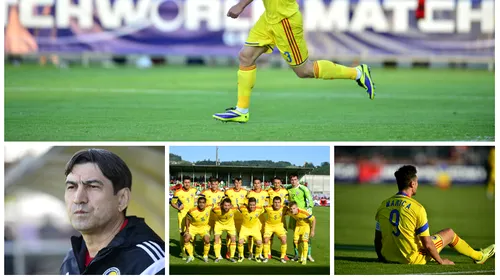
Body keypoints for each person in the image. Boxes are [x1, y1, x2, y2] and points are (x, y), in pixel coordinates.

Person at [213, 0, 375, 123]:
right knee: (246, 56)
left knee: (304, 70)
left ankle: (358, 73)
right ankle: (241, 110)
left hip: (285, 21)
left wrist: (241, 5)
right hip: (270, 17)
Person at [61, 149, 165, 275]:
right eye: (71, 187)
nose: (78, 199)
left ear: (122, 199)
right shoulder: (71, 260)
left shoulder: (152, 264)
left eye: (93, 186)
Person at [374, 165, 495, 265]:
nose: (417, 185)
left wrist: (382, 257)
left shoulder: (383, 205)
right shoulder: (417, 208)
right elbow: (427, 244)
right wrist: (441, 261)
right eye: (416, 182)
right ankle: (479, 256)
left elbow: (377, 239)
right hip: (412, 259)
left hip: (388, 257)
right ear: (412, 184)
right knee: (449, 233)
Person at [286, 173, 314, 262]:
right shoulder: (288, 189)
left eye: (295, 179)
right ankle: (296, 255)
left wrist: (308, 211)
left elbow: (310, 200)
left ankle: (308, 254)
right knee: (295, 236)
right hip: (294, 216)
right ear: (290, 180)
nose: (293, 181)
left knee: (307, 236)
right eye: (292, 180)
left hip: (304, 215)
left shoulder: (303, 188)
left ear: (298, 180)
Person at [170, 176, 197, 260]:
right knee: (183, 234)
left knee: (193, 234)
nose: (187, 184)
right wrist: (178, 207)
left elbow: (195, 199)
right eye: (185, 182)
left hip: (192, 216)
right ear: (183, 183)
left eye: (188, 182)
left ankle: (193, 251)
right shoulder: (178, 192)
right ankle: (183, 253)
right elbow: (172, 203)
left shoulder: (194, 190)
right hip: (182, 216)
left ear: (190, 183)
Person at [224, 177, 249, 258]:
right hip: (231, 217)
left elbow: (247, 204)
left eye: (239, 183)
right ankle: (228, 250)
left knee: (241, 235)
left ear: (241, 183)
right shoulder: (228, 191)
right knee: (229, 234)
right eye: (236, 183)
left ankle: (240, 251)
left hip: (241, 217)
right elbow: (224, 202)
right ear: (234, 183)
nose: (237, 184)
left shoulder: (245, 192)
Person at [183, 197, 213, 263]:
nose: (201, 204)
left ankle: (205, 256)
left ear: (205, 204)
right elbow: (187, 218)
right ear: (197, 203)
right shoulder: (192, 210)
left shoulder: (209, 207)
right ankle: (191, 256)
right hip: (193, 227)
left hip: (204, 227)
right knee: (186, 239)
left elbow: (218, 205)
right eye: (200, 203)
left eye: (203, 203)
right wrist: (187, 228)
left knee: (207, 240)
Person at [246, 178, 269, 259]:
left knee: (261, 236)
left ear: (261, 184)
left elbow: (267, 204)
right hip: (252, 217)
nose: (256, 185)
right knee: (250, 236)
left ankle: (259, 253)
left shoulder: (265, 193)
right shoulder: (250, 193)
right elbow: (247, 204)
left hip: (261, 217)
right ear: (253, 184)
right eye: (255, 183)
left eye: (258, 183)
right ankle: (250, 252)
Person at [237, 198, 265, 262]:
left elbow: (265, 208)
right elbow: (237, 206)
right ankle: (241, 256)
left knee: (259, 243)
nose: (252, 206)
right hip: (245, 228)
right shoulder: (243, 208)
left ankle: (257, 256)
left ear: (255, 204)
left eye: (253, 205)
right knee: (240, 242)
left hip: (254, 228)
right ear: (248, 204)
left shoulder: (259, 209)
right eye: (250, 205)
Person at [212, 198, 238, 262]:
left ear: (230, 206)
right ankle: (217, 257)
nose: (226, 207)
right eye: (225, 205)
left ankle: (231, 257)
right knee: (216, 238)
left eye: (228, 205)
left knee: (233, 239)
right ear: (222, 205)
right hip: (219, 224)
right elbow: (212, 209)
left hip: (230, 225)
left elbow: (240, 207)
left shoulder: (234, 209)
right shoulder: (217, 209)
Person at [263, 196, 288, 263]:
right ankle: (265, 257)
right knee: (266, 240)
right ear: (272, 203)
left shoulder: (284, 208)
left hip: (279, 226)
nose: (277, 204)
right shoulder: (268, 208)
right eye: (275, 202)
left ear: (280, 203)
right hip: (269, 226)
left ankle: (282, 257)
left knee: (284, 239)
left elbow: (292, 210)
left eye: (278, 202)